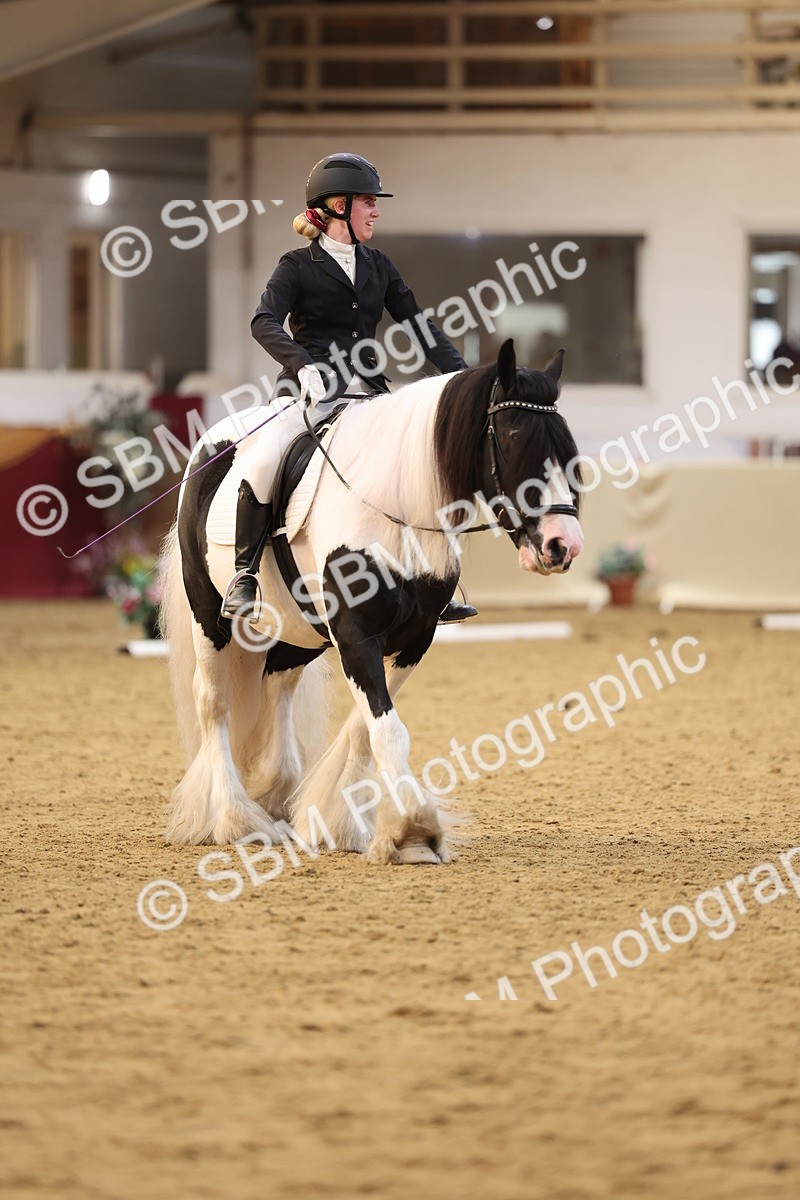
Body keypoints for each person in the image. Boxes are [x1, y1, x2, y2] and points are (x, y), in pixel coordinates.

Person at [221, 151, 477, 624]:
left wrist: (462, 377)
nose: (376, 210)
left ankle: (432, 574)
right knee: (265, 457)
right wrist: (301, 365)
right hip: (310, 390)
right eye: (367, 202)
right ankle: (244, 573)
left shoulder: (380, 265)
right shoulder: (297, 265)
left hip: (369, 393)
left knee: (416, 465)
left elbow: (419, 326)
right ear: (338, 206)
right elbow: (263, 321)